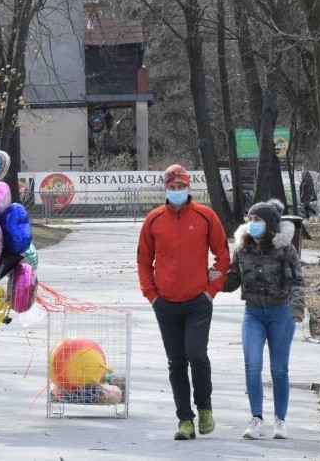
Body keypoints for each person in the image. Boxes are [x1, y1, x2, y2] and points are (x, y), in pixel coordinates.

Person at [137, 164, 231, 441]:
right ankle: (185, 420)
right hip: (165, 303)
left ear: (189, 187)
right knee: (176, 361)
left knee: (197, 355)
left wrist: (211, 289)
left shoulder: (205, 216)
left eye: (181, 187)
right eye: (172, 187)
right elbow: (144, 260)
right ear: (165, 189)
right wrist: (151, 295)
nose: (176, 191)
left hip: (197, 301)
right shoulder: (153, 220)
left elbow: (223, 255)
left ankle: (204, 408)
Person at [222, 198, 305, 440]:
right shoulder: (242, 248)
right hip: (253, 314)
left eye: (257, 220)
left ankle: (281, 420)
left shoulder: (285, 249)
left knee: (279, 370)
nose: (252, 224)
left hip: (281, 313)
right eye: (250, 220)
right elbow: (232, 280)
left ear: (269, 224)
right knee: (252, 364)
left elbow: (296, 282)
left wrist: (297, 309)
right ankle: (256, 419)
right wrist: (211, 280)